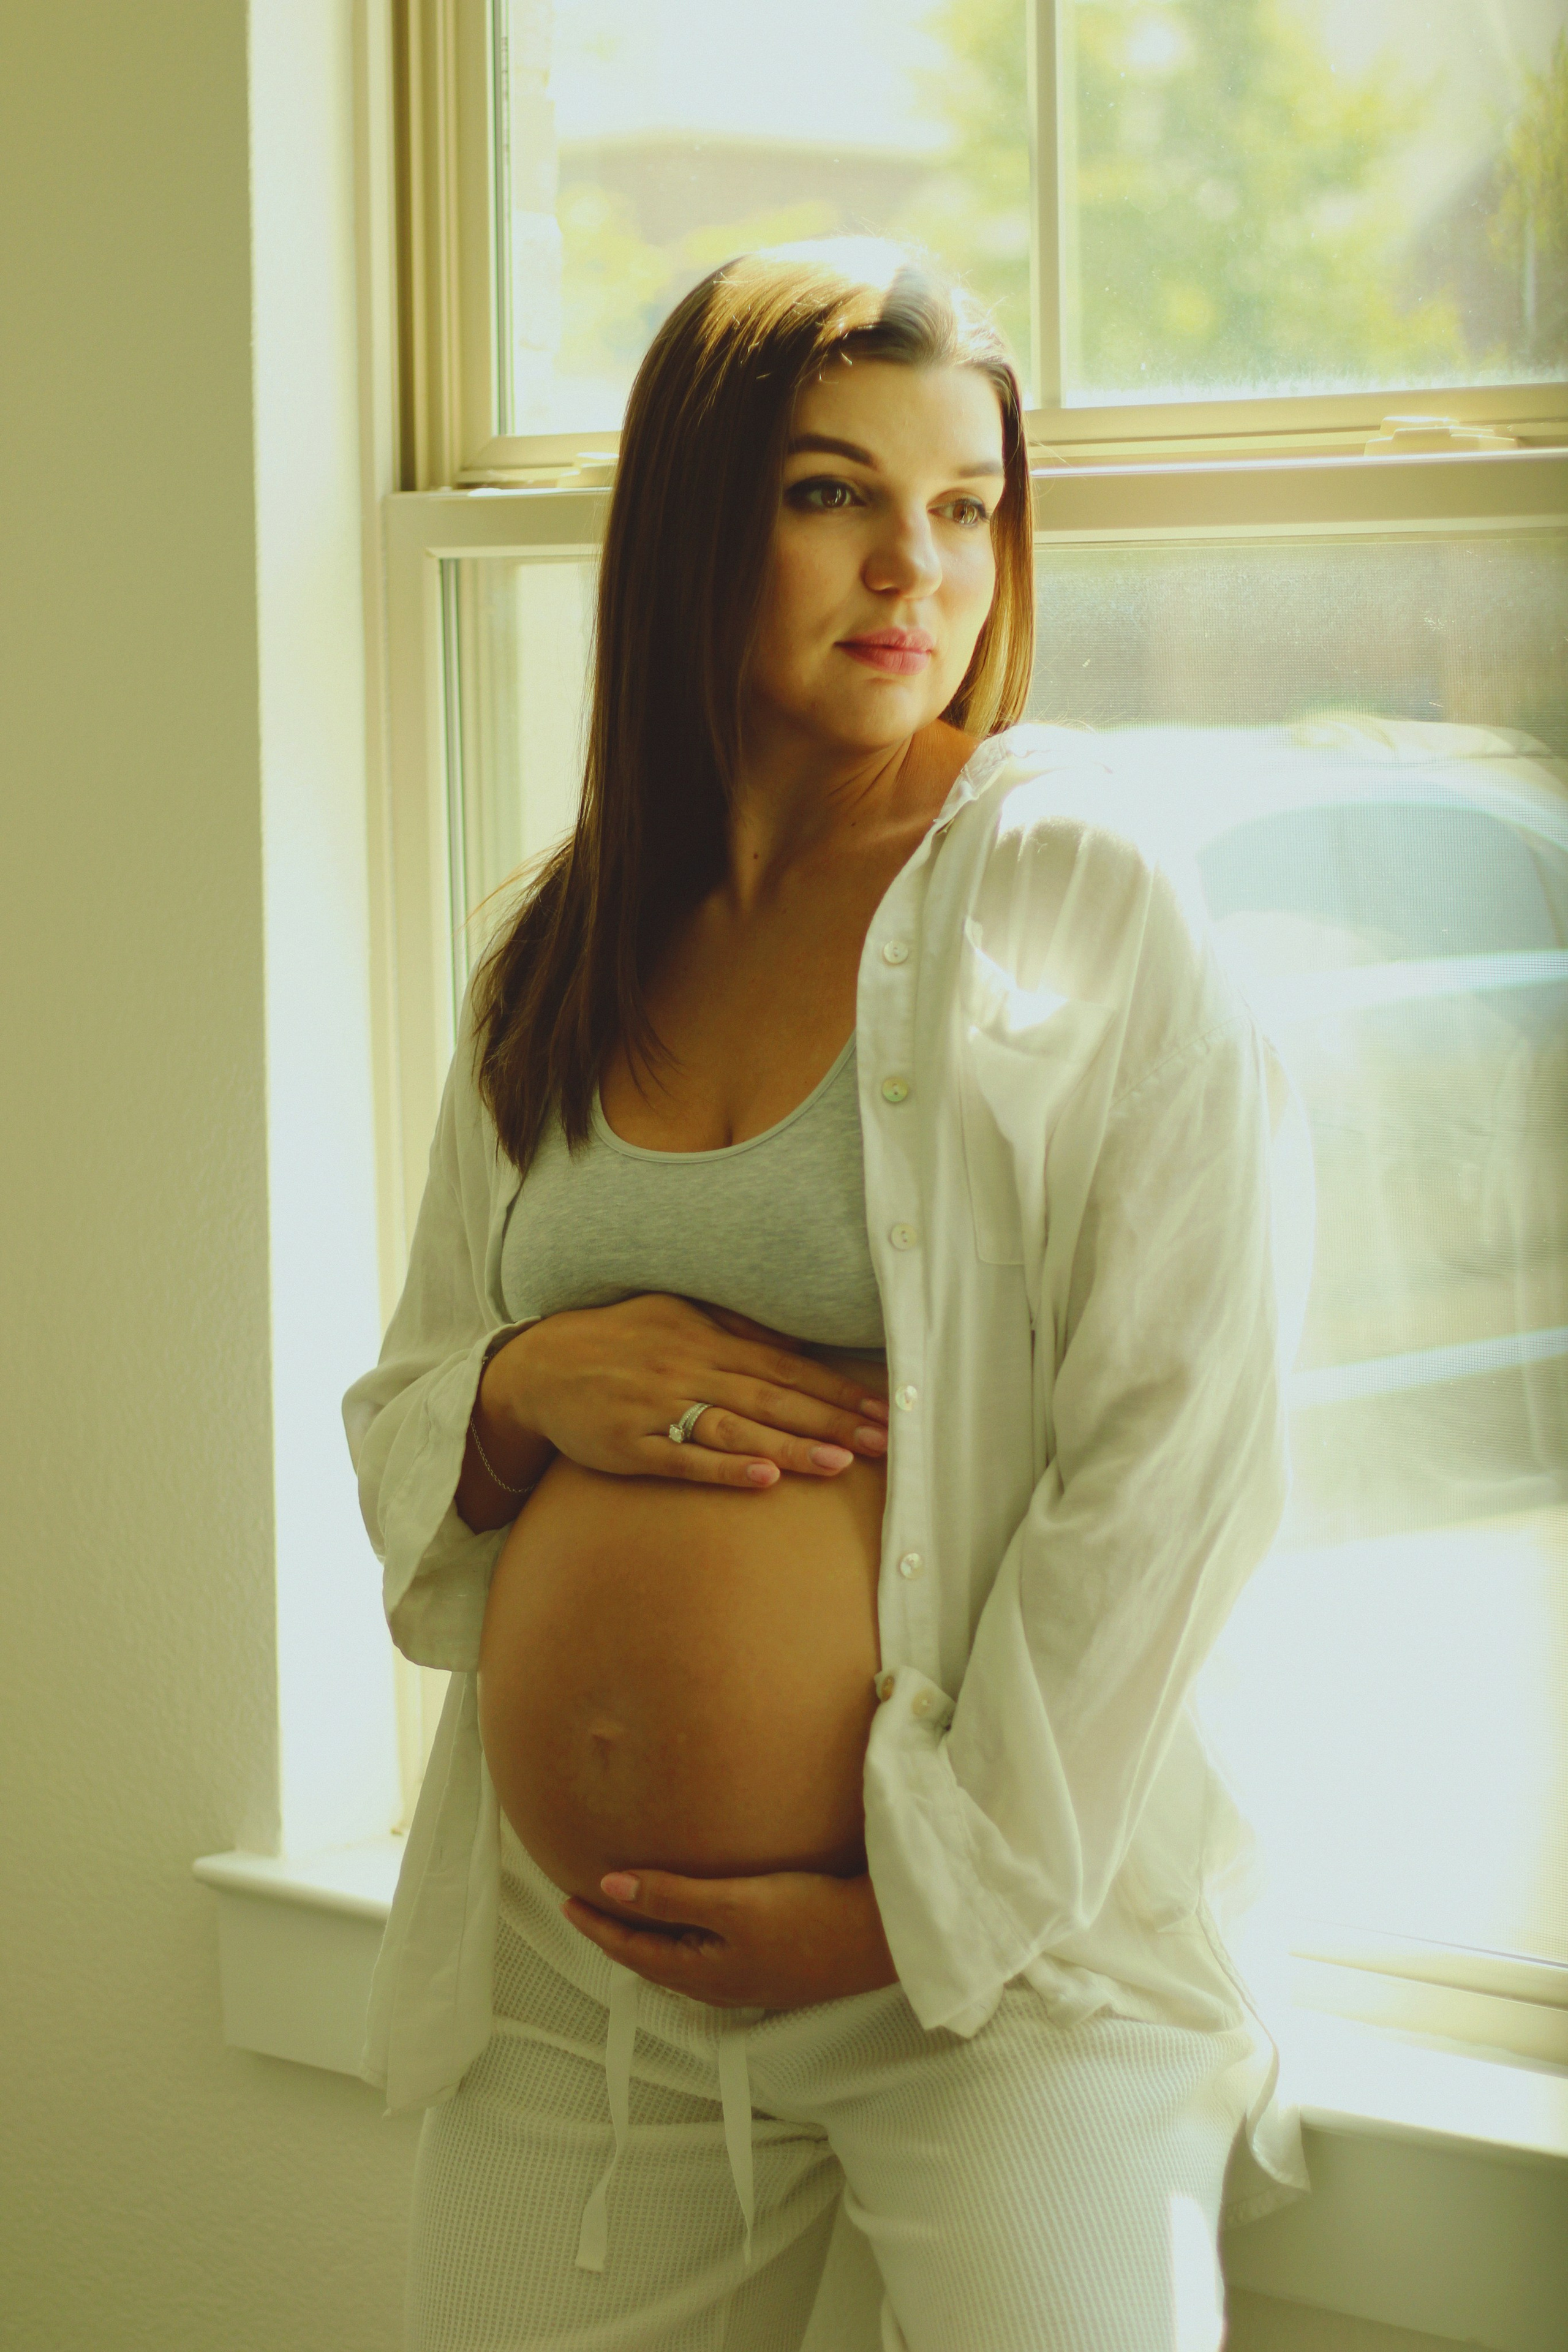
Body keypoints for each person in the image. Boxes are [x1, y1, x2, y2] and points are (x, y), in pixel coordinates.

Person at [344, 240, 1312, 2352]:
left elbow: (1183, 1457)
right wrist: (526, 1386)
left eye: (964, 506)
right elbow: (411, 1405)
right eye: (828, 494)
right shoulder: (562, 950)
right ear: (700, 523)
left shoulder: (1077, 894)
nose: (915, 568)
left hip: (992, 1979)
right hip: (570, 1985)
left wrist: (910, 1908)